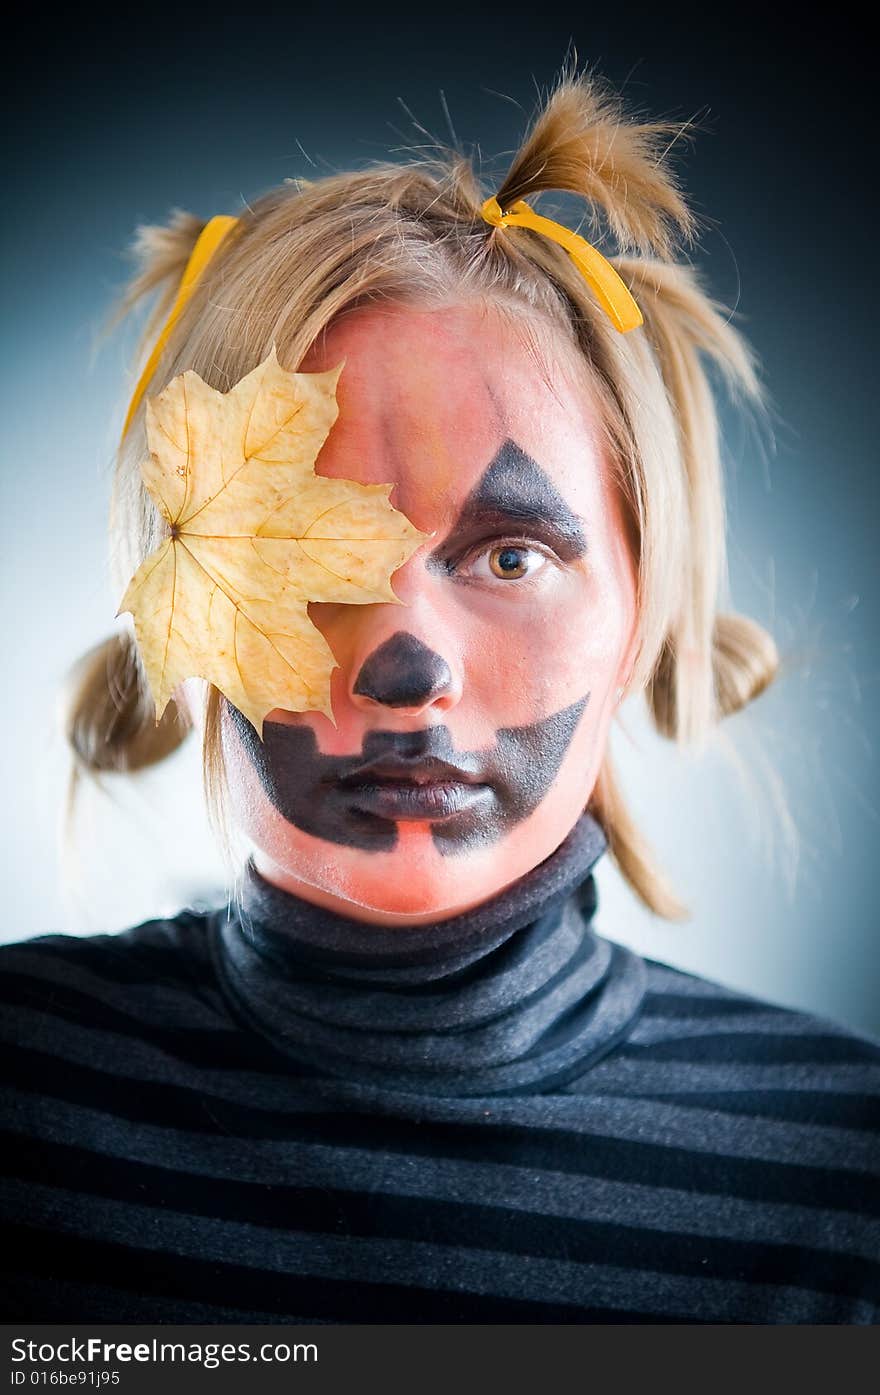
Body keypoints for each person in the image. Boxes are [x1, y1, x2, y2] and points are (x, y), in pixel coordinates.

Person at [1, 67, 878, 1325]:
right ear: (179, 597)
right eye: (302, 549)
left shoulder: (841, 1170)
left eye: (510, 556)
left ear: (641, 610)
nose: (406, 660)